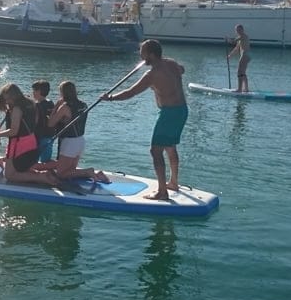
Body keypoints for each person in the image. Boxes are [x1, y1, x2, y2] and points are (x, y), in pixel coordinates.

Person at [101, 39, 186, 201]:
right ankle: (173, 182)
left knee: (155, 151)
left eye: (143, 54)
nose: (141, 57)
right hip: (182, 110)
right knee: (170, 146)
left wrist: (110, 98)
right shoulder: (172, 63)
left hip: (169, 114)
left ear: (151, 55)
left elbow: (130, 93)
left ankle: (162, 192)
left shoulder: (151, 75)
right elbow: (182, 69)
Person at [36, 80, 111, 184]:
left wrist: (57, 106)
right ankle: (96, 174)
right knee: (69, 171)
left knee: (61, 174)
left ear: (63, 92)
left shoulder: (65, 107)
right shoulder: (83, 104)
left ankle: (89, 171)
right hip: (80, 140)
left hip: (69, 142)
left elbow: (50, 123)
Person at [0, 84, 58, 186]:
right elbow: (35, 121)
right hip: (31, 140)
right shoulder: (31, 103)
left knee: (9, 175)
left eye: (7, 99)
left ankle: (40, 178)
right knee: (23, 168)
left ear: (12, 97)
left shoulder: (16, 109)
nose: (7, 102)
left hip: (17, 143)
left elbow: (14, 131)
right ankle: (43, 174)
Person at [31, 80, 56, 163]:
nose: (32, 93)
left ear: (38, 91)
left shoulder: (37, 105)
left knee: (34, 158)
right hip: (49, 135)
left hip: (39, 136)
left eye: (34, 90)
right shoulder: (51, 103)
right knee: (46, 159)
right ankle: (49, 171)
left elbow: (35, 121)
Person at [227, 23, 251, 93]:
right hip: (246, 55)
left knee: (239, 72)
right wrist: (230, 55)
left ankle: (239, 89)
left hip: (245, 55)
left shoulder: (243, 36)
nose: (238, 31)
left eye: (239, 30)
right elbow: (237, 48)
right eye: (237, 30)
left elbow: (232, 41)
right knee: (243, 72)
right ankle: (246, 89)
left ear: (242, 30)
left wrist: (227, 39)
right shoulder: (240, 38)